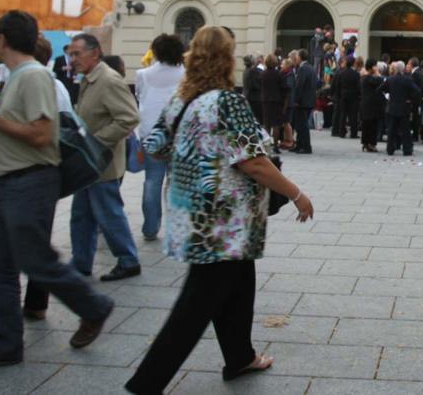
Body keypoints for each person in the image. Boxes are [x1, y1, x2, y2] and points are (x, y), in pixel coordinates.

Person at [126, 26, 314, 394]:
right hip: (223, 221)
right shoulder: (228, 103)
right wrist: (296, 194)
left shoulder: (182, 101)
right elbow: (253, 162)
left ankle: (240, 357)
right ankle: (145, 383)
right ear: (227, 60)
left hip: (193, 214)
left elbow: (154, 146)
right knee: (195, 307)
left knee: (240, 285)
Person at [0, 11, 113, 374]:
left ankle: (93, 307)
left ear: (3, 39)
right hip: (10, 179)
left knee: (35, 260)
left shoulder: (33, 76)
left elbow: (42, 135)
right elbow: (25, 132)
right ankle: (5, 344)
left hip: (29, 183)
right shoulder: (17, 77)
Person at [67, 34, 142, 281]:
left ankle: (128, 260)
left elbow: (129, 118)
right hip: (87, 162)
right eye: (71, 53)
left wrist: (96, 141)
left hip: (102, 162)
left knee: (108, 213)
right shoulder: (89, 79)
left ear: (95, 53)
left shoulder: (108, 80)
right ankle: (81, 262)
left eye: (78, 53)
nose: (73, 58)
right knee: (81, 215)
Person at [134, 34, 187, 241]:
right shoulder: (187, 75)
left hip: (151, 134)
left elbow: (140, 97)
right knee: (177, 183)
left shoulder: (142, 74)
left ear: (155, 51)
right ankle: (177, 229)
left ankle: (150, 227)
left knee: (151, 182)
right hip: (179, 135)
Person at [380, 61, 422, 156]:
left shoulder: (390, 79)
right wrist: (410, 99)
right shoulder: (407, 80)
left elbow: (381, 89)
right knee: (405, 130)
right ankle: (407, 149)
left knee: (391, 129)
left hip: (392, 107)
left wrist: (388, 94)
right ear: (403, 69)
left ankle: (390, 148)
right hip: (404, 107)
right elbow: (417, 91)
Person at [288, 49, 318, 154]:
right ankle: (300, 145)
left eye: (297, 55)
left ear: (300, 57)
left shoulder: (302, 69)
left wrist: (296, 99)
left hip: (302, 102)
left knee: (302, 125)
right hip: (309, 100)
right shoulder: (311, 68)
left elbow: (299, 86)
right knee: (301, 124)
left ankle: (306, 146)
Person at [260, 55, 289, 151]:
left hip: (265, 101)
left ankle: (267, 145)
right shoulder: (279, 74)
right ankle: (276, 145)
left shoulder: (263, 74)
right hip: (277, 101)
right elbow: (284, 88)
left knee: (267, 124)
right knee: (276, 124)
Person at [358, 62, 385, 152]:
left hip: (366, 105)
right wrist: (378, 74)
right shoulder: (368, 78)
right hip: (370, 105)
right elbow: (380, 82)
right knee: (371, 125)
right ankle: (370, 143)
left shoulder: (364, 78)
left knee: (367, 124)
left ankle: (366, 143)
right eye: (375, 66)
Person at [332, 57, 361, 139]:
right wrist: (359, 95)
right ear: (353, 63)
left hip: (343, 96)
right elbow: (358, 87)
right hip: (353, 96)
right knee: (353, 115)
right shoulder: (356, 74)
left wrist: (338, 95)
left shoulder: (341, 73)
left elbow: (338, 86)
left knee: (343, 114)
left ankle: (341, 132)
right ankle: (353, 133)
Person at [242, 55, 263, 124]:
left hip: (247, 95)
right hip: (254, 98)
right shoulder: (252, 71)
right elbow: (254, 85)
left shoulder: (246, 70)